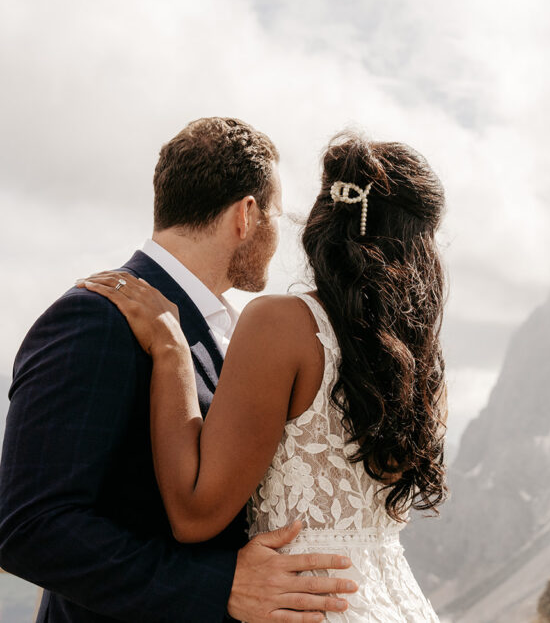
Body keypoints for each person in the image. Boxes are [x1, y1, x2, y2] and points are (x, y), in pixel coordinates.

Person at [78, 129, 449, 621]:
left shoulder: (280, 323)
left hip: (302, 609)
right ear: (420, 246)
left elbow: (194, 514)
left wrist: (171, 349)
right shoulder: (424, 369)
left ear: (321, 223)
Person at [0, 117, 356, 622]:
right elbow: (30, 527)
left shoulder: (234, 329)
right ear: (246, 216)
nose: (280, 240)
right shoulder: (95, 318)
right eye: (277, 216)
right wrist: (220, 586)